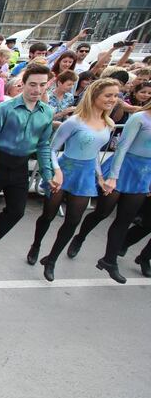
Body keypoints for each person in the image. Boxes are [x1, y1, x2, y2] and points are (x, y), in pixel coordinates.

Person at [29, 78, 121, 281]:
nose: (113, 99)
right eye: (108, 95)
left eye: (115, 95)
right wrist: (56, 170)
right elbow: (52, 149)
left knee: (72, 221)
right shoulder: (74, 122)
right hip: (65, 170)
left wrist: (100, 176)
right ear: (95, 95)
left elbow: (95, 153)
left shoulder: (109, 123)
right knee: (48, 215)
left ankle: (51, 259)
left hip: (85, 175)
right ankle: (36, 245)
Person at [0, 64, 55, 267]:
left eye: (42, 85)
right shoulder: (5, 108)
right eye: (32, 84)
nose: (37, 89)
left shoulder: (47, 113)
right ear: (23, 84)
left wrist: (47, 173)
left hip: (20, 166)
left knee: (17, 211)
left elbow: (43, 145)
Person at [66, 101, 151, 282]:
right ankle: (79, 237)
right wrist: (113, 176)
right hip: (123, 168)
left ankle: (109, 260)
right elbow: (123, 147)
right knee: (102, 213)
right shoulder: (139, 118)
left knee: (124, 220)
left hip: (143, 174)